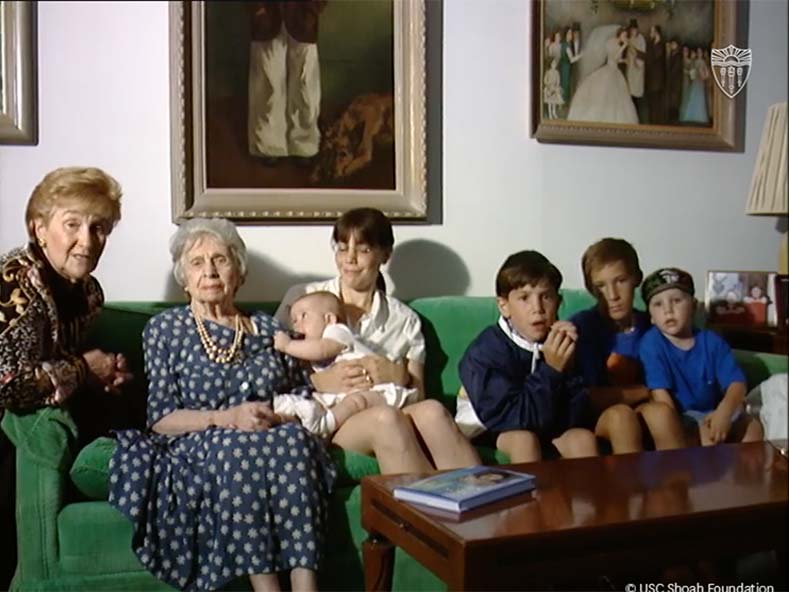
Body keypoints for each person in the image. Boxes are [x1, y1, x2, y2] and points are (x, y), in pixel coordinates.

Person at [109, 218, 336, 592]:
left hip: (271, 431)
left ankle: (306, 585)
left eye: (220, 260)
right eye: (197, 262)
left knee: (294, 443)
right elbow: (161, 418)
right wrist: (226, 418)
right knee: (237, 450)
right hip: (204, 437)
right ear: (184, 278)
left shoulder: (268, 329)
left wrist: (277, 415)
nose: (210, 271)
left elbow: (302, 394)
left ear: (239, 272)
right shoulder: (165, 330)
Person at [0, 167, 131, 590]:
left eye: (99, 227)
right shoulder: (15, 280)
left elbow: (58, 360)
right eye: (72, 224)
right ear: (39, 228)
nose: (87, 241)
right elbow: (9, 383)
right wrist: (82, 370)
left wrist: (99, 374)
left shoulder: (89, 293)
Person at [275, 207, 480, 474]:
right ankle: (426, 512)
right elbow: (270, 368)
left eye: (363, 250)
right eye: (341, 247)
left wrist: (398, 375)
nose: (350, 259)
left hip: (387, 404)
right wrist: (320, 380)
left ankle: (488, 503)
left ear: (385, 254)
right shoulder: (304, 298)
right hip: (328, 417)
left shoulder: (404, 320)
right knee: (387, 419)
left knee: (433, 411)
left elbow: (418, 396)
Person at [456, 250, 598, 462]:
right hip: (491, 428)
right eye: (524, 298)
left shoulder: (560, 342)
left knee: (582, 439)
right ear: (504, 306)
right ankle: (528, 497)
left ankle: (591, 496)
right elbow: (511, 417)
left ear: (558, 303)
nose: (538, 309)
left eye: (546, 297)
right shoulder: (485, 351)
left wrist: (569, 366)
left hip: (545, 423)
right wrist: (551, 370)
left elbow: (578, 414)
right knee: (525, 440)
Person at [571, 239, 685, 451]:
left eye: (620, 280)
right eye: (601, 286)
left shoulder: (654, 325)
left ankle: (680, 482)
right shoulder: (583, 327)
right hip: (600, 418)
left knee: (661, 412)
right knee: (622, 417)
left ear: (636, 279)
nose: (613, 295)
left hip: (646, 411)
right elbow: (588, 399)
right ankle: (630, 485)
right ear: (591, 289)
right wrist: (645, 390)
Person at [638, 268, 763, 447]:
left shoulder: (712, 341)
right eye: (658, 304)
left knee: (753, 427)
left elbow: (737, 384)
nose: (668, 310)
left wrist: (724, 412)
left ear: (694, 306)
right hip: (679, 417)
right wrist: (678, 429)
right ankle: (710, 473)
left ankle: (746, 472)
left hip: (712, 412)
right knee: (707, 436)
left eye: (677, 300)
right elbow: (660, 396)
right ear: (650, 316)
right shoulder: (651, 344)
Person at [272, 290, 417, 437]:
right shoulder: (310, 346)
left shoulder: (337, 331)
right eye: (294, 321)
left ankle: (326, 423)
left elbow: (321, 350)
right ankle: (285, 406)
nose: (297, 325)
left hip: (373, 390)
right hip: (347, 394)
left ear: (329, 319)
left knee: (355, 402)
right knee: (317, 402)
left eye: (304, 316)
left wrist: (288, 345)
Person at [247, 1, 327, 166]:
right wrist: (257, 9)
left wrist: (313, 10)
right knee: (268, 87)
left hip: (304, 18)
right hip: (266, 17)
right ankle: (268, 145)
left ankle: (305, 146)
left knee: (305, 88)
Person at [567, 27, 638, 125]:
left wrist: (624, 61)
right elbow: (613, 57)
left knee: (619, 97)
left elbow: (617, 60)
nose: (625, 38)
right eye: (624, 35)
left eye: (626, 36)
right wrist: (624, 46)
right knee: (604, 94)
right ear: (620, 34)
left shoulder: (619, 44)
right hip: (609, 70)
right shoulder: (610, 42)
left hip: (616, 71)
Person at [644, 25, 667, 124]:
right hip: (650, 78)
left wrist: (638, 53)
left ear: (657, 33)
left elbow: (652, 58)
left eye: (652, 31)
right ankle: (652, 122)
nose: (650, 33)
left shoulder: (661, 45)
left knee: (656, 102)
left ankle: (656, 123)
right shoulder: (651, 43)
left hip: (658, 79)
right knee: (651, 101)